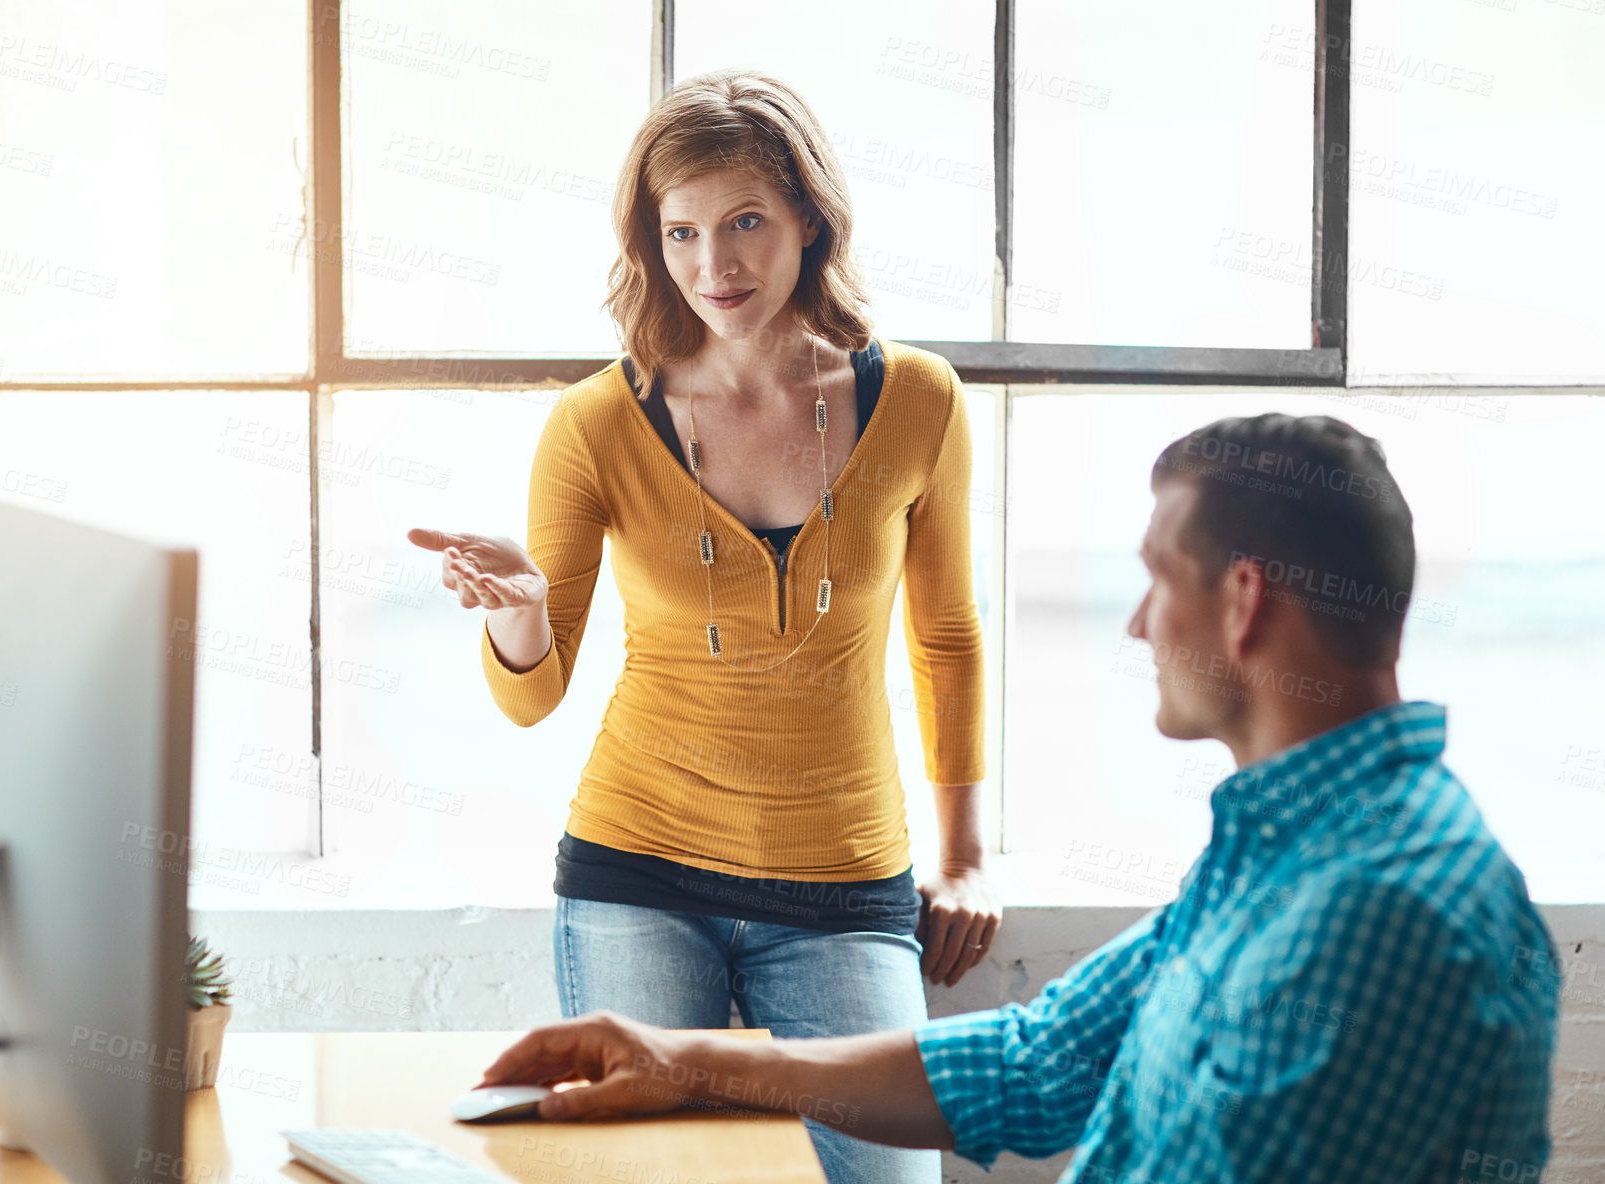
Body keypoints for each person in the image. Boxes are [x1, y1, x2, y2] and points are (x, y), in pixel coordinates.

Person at [475, 413, 1562, 1183]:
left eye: (1156, 578)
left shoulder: (1372, 916)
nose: (1137, 625)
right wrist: (689, 1059)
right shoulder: (1293, 845)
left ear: (1242, 602)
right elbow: (1038, 1061)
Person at [408, 70, 996, 1184]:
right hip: (639, 872)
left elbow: (948, 636)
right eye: (680, 231)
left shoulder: (918, 397)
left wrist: (964, 856)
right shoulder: (594, 423)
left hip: (844, 886)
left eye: (744, 224)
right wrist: (525, 613)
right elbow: (533, 696)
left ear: (809, 220)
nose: (712, 267)